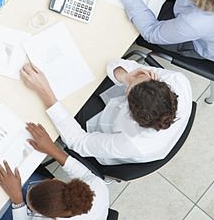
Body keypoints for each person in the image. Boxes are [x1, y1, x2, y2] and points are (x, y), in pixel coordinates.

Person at [19, 59, 192, 165]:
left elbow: (78, 142)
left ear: (130, 113)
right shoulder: (177, 81)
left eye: (127, 90)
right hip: (135, 120)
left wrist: (44, 92)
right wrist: (126, 77)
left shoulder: (133, 143)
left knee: (57, 104)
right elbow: (116, 63)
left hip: (109, 136)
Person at [0, 121, 109, 220]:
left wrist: (18, 200)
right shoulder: (98, 188)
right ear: (56, 181)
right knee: (15, 174)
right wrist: (51, 149)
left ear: (46, 216)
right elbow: (85, 174)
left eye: (30, 206)